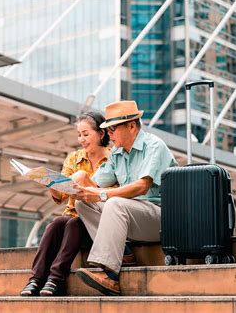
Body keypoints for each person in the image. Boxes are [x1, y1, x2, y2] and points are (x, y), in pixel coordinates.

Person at [73, 100, 178, 296]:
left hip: (162, 218)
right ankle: (124, 255)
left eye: (112, 129)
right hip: (133, 215)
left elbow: (142, 186)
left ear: (131, 126)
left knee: (114, 203)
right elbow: (95, 185)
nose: (109, 135)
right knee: (83, 203)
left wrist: (102, 194)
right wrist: (69, 183)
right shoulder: (118, 154)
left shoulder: (154, 146)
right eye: (107, 130)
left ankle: (111, 277)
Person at [20, 111, 111, 296]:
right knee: (56, 224)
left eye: (86, 134)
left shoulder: (114, 158)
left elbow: (112, 195)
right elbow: (61, 196)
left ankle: (55, 279)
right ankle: (36, 279)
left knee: (73, 223)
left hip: (98, 219)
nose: (81, 139)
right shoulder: (74, 158)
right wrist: (50, 183)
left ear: (101, 134)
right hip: (71, 216)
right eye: (79, 135)